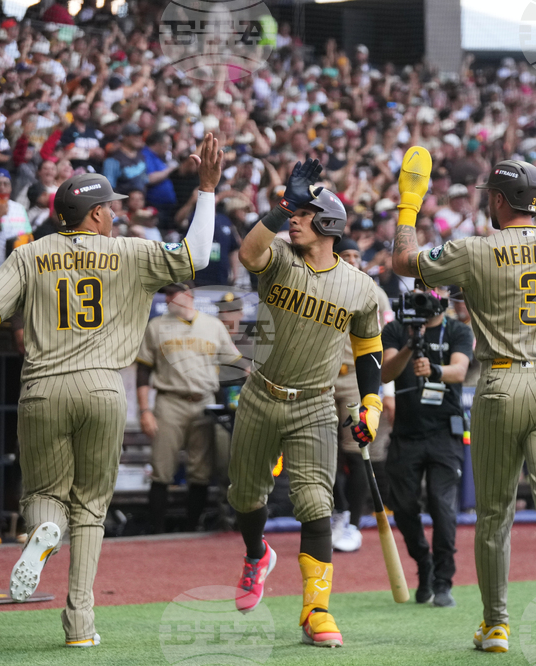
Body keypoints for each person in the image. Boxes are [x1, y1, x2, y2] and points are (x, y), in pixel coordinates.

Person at [0, 134, 223, 647]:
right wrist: (208, 188)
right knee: (90, 508)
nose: (115, 213)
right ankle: (80, 624)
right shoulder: (131, 252)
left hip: (42, 386)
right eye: (109, 207)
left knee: (44, 495)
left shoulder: (31, 253)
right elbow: (197, 254)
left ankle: (44, 534)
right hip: (105, 388)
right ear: (93, 215)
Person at [390, 150, 536, 660]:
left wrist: (409, 203)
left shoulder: (475, 249)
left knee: (494, 514)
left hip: (501, 383)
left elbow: (403, 263)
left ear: (496, 199)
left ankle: (496, 625)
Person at [229, 159, 384, 648]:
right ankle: (257, 555)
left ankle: (316, 611)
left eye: (303, 212)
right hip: (260, 394)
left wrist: (372, 404)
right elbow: (248, 252)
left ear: (329, 224)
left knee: (317, 506)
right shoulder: (278, 256)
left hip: (315, 405)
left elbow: (368, 350)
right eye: (292, 211)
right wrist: (280, 208)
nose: (294, 218)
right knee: (245, 497)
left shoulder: (359, 287)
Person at [380, 281, 473, 607]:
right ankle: (423, 562)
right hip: (406, 433)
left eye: (435, 289)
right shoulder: (395, 329)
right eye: (422, 287)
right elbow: (386, 374)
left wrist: (435, 369)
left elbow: (460, 370)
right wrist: (410, 345)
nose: (429, 295)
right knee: (403, 507)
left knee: (442, 504)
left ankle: (443, 579)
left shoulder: (458, 331)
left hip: (444, 434)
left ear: (446, 295)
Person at [135, 281, 242, 534]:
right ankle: (157, 532)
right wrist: (144, 410)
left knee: (200, 471)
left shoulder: (213, 325)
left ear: (189, 294)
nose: (170, 297)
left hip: (204, 402)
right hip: (169, 401)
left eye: (175, 292)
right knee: (161, 470)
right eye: (167, 293)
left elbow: (236, 366)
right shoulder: (156, 326)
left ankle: (192, 530)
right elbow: (143, 371)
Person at [331, 237, 395, 554]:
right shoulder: (322, 284)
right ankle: (339, 510)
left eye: (357, 255)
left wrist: (389, 389)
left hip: (357, 379)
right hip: (322, 378)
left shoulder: (375, 292)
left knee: (358, 452)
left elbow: (388, 344)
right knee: (323, 452)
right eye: (346, 255)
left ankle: (353, 521)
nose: (353, 260)